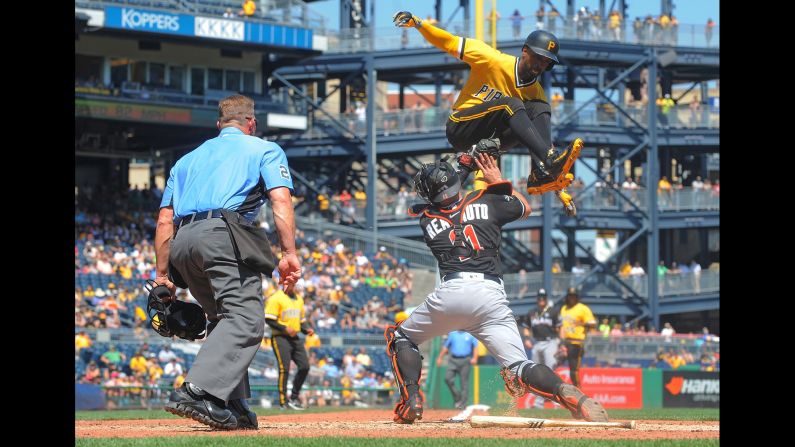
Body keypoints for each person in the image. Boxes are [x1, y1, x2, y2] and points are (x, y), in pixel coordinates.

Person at [383, 153, 608, 424]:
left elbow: (446, 204)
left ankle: (411, 402)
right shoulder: (488, 201)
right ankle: (568, 394)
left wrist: (462, 170)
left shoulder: (427, 219)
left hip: (452, 292)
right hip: (491, 296)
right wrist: (498, 181)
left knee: (402, 338)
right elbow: (524, 207)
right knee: (518, 366)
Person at [155, 94, 301, 430]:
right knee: (247, 319)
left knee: (223, 318)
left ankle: (232, 404)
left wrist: (163, 275)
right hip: (223, 234)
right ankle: (199, 391)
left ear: (218, 124)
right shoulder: (263, 148)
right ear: (251, 123)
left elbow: (164, 219)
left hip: (183, 242)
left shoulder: (186, 160)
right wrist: (288, 254)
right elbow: (280, 200)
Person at [393, 12, 582, 215]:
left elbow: (538, 135)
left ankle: (541, 172)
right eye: (538, 57)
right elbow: (449, 42)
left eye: (546, 61)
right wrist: (419, 24)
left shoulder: (535, 91)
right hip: (461, 126)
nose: (541, 64)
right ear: (525, 51)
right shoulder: (492, 59)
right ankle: (548, 159)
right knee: (512, 104)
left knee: (539, 107)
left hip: (489, 141)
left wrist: (558, 188)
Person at [265, 279, 313, 410]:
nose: (288, 285)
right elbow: (269, 318)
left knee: (305, 366)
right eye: (286, 283)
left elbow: (301, 321)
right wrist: (284, 328)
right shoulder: (276, 298)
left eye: (291, 283)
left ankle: (294, 398)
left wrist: (306, 329)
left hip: (295, 337)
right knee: (284, 369)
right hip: (280, 337)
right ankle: (283, 402)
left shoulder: (299, 299)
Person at [525, 289, 560, 409]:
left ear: (546, 298)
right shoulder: (531, 312)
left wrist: (562, 343)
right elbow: (526, 327)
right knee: (537, 373)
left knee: (550, 371)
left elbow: (560, 328)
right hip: (537, 343)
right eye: (539, 297)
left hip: (550, 342)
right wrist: (526, 339)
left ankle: (557, 402)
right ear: (537, 298)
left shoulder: (553, 311)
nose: (541, 299)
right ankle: (538, 404)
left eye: (543, 297)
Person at [558, 287, 597, 388]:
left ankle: (579, 395)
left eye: (574, 296)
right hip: (564, 342)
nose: (572, 298)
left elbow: (593, 324)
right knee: (553, 365)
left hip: (576, 343)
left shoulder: (583, 308)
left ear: (577, 297)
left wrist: (582, 323)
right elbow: (561, 325)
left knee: (573, 371)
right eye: (570, 296)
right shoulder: (564, 308)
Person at [436, 331, 479, 409]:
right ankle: (457, 396)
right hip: (453, 360)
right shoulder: (452, 334)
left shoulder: (470, 334)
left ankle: (463, 404)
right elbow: (445, 347)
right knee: (447, 378)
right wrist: (440, 357)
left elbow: (475, 346)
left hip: (465, 360)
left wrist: (475, 358)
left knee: (464, 383)